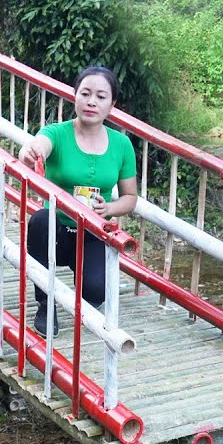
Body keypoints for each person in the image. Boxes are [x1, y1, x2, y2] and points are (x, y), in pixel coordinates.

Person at [17, 65, 138, 338]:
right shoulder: (57, 133)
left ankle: (82, 284)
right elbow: (38, 146)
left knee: (95, 292)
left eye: (100, 96)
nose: (91, 101)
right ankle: (45, 304)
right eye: (85, 93)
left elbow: (130, 198)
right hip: (56, 232)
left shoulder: (122, 145)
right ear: (75, 97)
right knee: (39, 220)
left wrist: (109, 209)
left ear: (112, 105)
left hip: (95, 232)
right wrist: (31, 152)